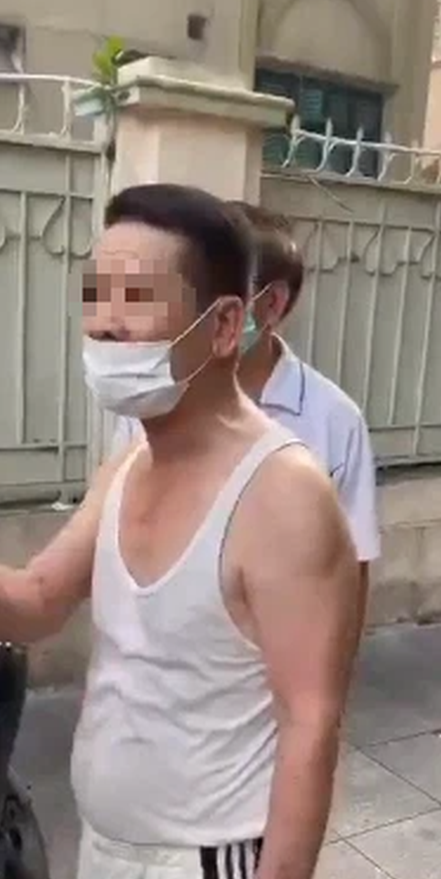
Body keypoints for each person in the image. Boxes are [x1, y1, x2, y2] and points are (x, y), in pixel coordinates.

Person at [0, 184, 359, 879]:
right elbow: (36, 602)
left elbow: (312, 720)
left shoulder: (283, 496)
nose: (104, 323)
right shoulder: (130, 460)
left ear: (223, 325)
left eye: (136, 297)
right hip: (109, 868)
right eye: (94, 295)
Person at [111, 201, 379, 643]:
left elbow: (352, 572)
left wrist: (333, 681)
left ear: (270, 304)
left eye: (207, 293)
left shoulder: (333, 421)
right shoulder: (151, 402)